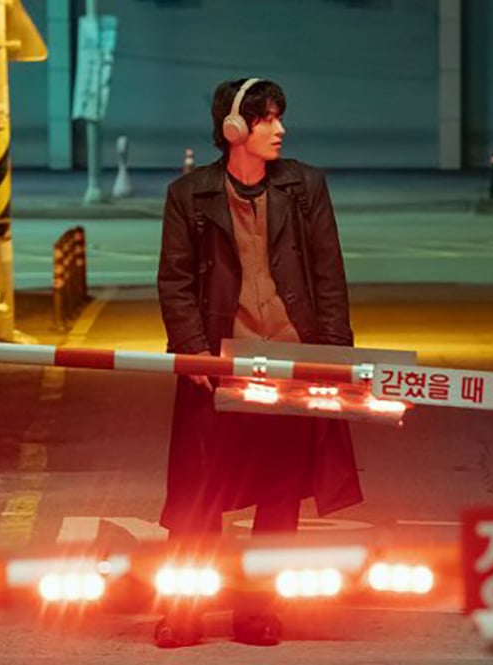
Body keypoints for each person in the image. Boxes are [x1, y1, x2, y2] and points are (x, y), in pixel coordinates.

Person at [155, 77, 362, 648]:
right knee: (198, 496)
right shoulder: (190, 195)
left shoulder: (304, 187)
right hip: (220, 364)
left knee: (279, 495)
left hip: (290, 360)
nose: (280, 129)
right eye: (267, 118)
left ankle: (257, 610)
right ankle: (183, 609)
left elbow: (329, 275)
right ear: (234, 129)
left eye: (278, 117)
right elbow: (175, 281)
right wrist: (193, 350)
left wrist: (333, 358)